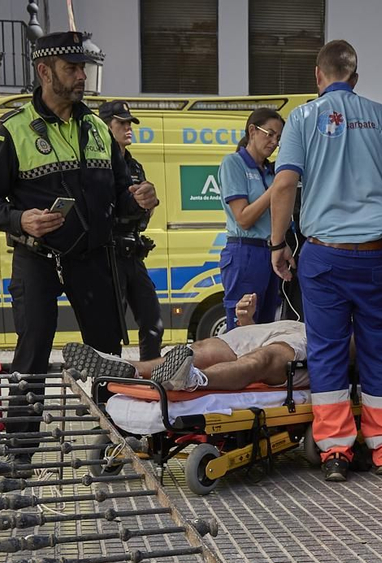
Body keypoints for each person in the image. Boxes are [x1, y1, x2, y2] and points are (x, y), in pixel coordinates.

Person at [0, 30, 158, 441]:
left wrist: (138, 199)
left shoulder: (96, 127)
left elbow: (120, 196)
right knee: (33, 351)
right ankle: (20, 450)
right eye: (71, 68)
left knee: (107, 353)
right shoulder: (12, 129)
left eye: (82, 68)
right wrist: (20, 220)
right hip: (36, 257)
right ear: (44, 71)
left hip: (93, 258)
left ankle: (118, 440)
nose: (81, 77)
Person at [267, 39, 382, 483]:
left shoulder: (302, 117)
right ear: (355, 77)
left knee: (328, 351)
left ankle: (335, 452)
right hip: (376, 257)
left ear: (318, 76)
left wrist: (278, 245)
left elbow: (285, 184)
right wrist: (370, 183)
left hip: (323, 257)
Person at [64, 293, 308, 393]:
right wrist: (248, 320)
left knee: (258, 360)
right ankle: (130, 368)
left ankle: (192, 379)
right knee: (201, 349)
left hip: (316, 337)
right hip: (281, 327)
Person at [99, 100, 164, 361]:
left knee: (153, 323)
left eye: (129, 123)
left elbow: (144, 216)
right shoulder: (99, 166)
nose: (128, 127)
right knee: (110, 330)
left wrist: (147, 207)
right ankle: (105, 390)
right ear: (105, 127)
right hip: (109, 255)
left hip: (133, 253)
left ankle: (151, 380)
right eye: (121, 123)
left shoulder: (135, 167)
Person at [218, 107, 287, 330]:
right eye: (269, 133)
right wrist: (276, 189)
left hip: (270, 250)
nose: (274, 142)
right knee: (242, 328)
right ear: (252, 131)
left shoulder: (270, 171)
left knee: (266, 328)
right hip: (244, 252)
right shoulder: (234, 163)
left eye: (278, 137)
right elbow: (243, 218)